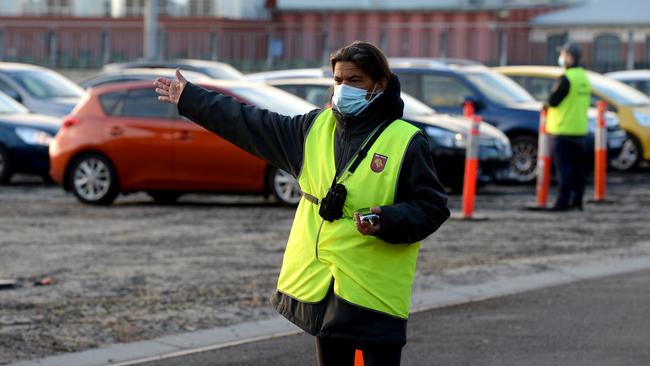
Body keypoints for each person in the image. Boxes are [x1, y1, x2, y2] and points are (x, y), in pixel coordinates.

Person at [153, 41, 450, 366]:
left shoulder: (405, 140)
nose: (343, 88)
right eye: (338, 80)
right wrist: (191, 99)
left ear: (378, 85)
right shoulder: (313, 129)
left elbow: (432, 207)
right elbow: (249, 123)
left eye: (355, 81)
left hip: (373, 293)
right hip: (325, 289)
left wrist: (387, 220)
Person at [545, 42, 592, 211]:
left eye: (563, 55)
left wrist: (545, 104)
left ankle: (562, 202)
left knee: (564, 169)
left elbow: (553, 101)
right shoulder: (584, 78)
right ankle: (577, 201)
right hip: (580, 129)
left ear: (570, 57)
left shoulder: (567, 78)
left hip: (563, 130)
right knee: (578, 169)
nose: (561, 58)